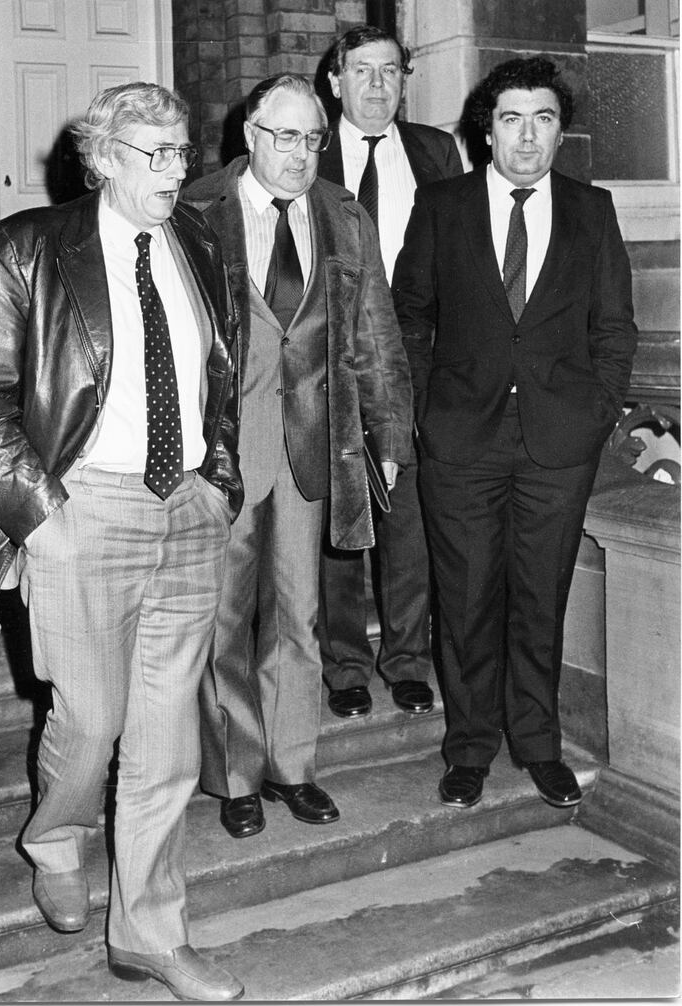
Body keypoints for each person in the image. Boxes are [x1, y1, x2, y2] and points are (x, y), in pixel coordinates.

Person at [0, 82, 245, 1001]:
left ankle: (150, 931)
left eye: (181, 153)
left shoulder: (202, 244)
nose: (174, 172)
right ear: (101, 159)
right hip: (81, 510)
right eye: (153, 154)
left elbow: (222, 376)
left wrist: (217, 483)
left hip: (185, 510)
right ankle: (54, 836)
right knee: (92, 719)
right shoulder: (27, 249)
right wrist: (42, 518)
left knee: (168, 737)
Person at [391, 56, 637, 811]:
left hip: (558, 443)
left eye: (544, 120)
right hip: (462, 440)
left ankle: (537, 744)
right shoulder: (442, 205)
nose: (527, 137)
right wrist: (430, 411)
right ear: (485, 130)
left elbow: (615, 330)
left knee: (541, 598)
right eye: (510, 119)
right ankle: (468, 747)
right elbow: (409, 317)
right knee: (463, 601)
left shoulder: (592, 210)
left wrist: (596, 414)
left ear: (560, 131)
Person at [183, 73, 412, 840]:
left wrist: (387, 437)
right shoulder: (194, 209)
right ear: (250, 135)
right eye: (285, 136)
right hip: (221, 454)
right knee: (222, 619)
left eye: (313, 138)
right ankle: (235, 773)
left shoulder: (344, 214)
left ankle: (293, 766)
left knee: (300, 616)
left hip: (314, 449)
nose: (301, 153)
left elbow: (376, 333)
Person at [316, 24, 463, 720]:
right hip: (332, 355)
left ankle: (406, 658)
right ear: (334, 80)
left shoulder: (437, 150)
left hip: (418, 356)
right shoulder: (306, 155)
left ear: (405, 81)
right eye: (362, 71)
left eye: (391, 72)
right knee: (341, 507)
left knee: (407, 514)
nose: (378, 86)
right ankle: (344, 663)